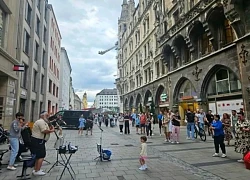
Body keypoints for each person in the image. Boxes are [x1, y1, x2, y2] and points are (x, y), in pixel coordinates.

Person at [31, 111, 55, 176]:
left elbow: (46, 128)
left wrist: (51, 127)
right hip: (38, 141)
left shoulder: (43, 122)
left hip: (39, 141)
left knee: (38, 156)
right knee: (41, 155)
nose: (48, 117)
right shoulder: (41, 122)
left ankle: (36, 169)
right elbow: (44, 131)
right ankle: (37, 171)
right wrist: (51, 131)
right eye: (46, 115)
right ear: (42, 116)